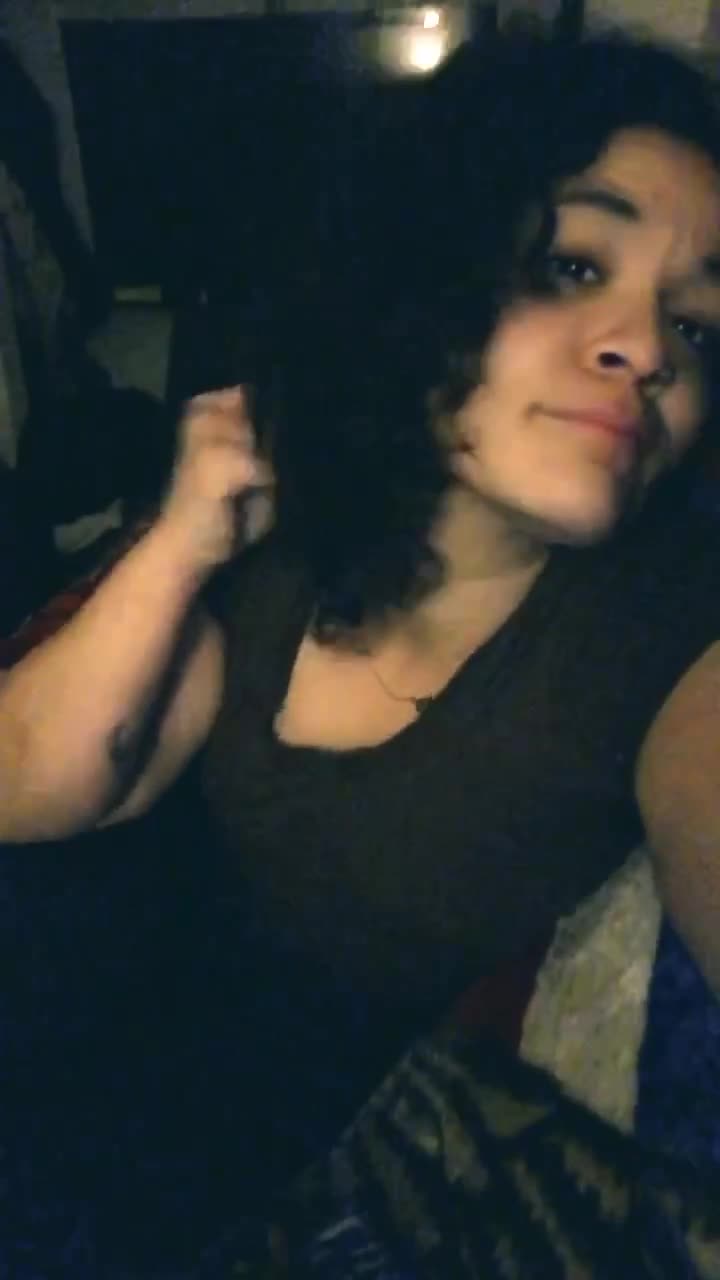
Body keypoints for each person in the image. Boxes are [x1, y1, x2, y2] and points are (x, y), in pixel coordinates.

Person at [2, 23, 720, 1275]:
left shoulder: (670, 620)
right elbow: (28, 780)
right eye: (571, 265)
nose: (648, 348)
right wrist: (177, 541)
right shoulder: (287, 547)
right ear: (428, 272)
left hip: (221, 1177)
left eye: (700, 326)